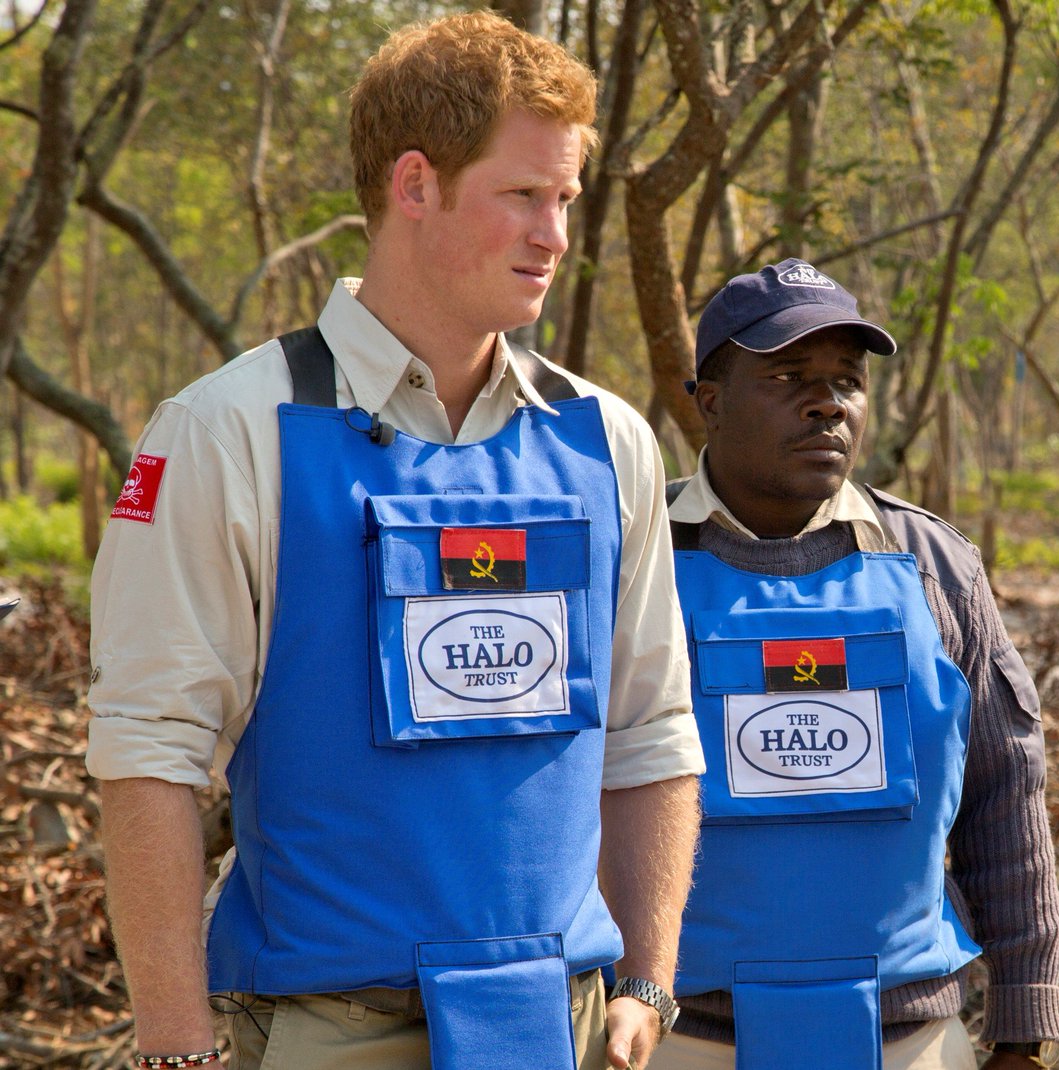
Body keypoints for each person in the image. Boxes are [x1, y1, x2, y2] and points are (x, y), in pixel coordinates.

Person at [85, 13, 703, 1070]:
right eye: (522, 195)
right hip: (326, 1029)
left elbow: (652, 731)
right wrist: (176, 1044)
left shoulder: (608, 442)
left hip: (570, 1023)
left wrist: (646, 980)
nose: (554, 234)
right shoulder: (232, 430)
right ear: (414, 184)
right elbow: (150, 751)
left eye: (564, 200)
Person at [653, 259, 1059, 1070]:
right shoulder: (633, 560)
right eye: (788, 376)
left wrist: (1026, 1027)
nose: (828, 403)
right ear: (708, 400)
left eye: (848, 380)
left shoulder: (933, 566)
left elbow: (1005, 796)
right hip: (679, 1040)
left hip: (908, 1041)